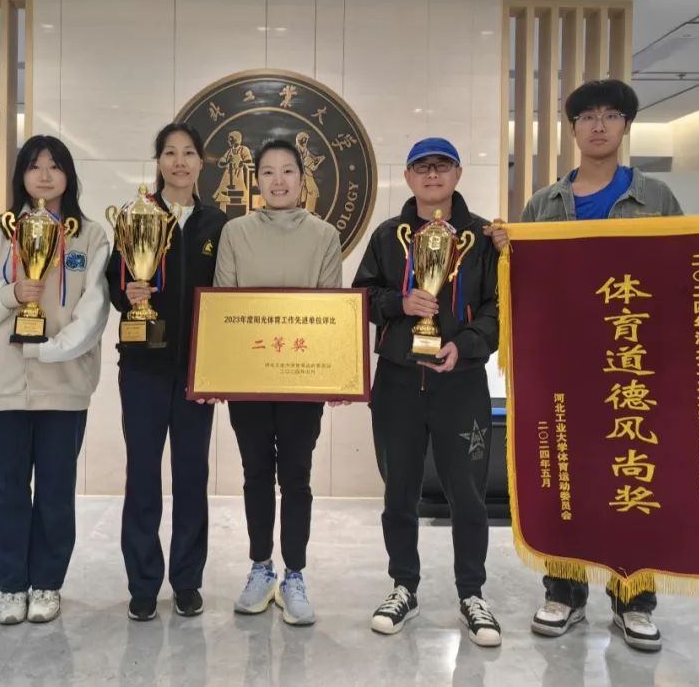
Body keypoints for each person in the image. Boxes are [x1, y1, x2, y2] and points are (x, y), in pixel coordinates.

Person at [487, 78, 682, 653]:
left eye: (610, 115)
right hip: (564, 367)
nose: (599, 125)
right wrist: (505, 252)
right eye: (587, 116)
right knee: (564, 477)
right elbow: (524, 287)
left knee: (632, 478)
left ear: (625, 125)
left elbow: (683, 271)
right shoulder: (543, 204)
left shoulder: (657, 198)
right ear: (572, 129)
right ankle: (564, 594)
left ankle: (634, 601)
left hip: (633, 366)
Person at [352, 137, 502, 646]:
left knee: (469, 494)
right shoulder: (387, 236)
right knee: (399, 492)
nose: (432, 175)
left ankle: (472, 593)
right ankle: (403, 586)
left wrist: (466, 345)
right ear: (408, 177)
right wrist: (400, 303)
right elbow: (362, 296)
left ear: (457, 174)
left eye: (442, 166)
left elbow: (496, 307)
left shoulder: (483, 237)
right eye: (422, 167)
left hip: (461, 382)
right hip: (398, 382)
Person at [0, 135, 109, 625]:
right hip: (2, 386)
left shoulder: (89, 236)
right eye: (34, 165)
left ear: (69, 175)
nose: (44, 175)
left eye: (54, 165)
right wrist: (10, 294)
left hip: (65, 386)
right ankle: (11, 586)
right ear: (20, 174)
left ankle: (47, 583)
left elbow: (93, 314)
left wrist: (45, 349)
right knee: (8, 491)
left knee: (56, 493)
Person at [214, 138, 342, 626]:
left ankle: (295, 575)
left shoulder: (325, 235)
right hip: (248, 377)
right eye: (268, 172)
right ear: (256, 181)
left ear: (302, 179)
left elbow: (331, 309)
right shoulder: (234, 232)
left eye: (288, 171)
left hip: (301, 379)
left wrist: (335, 375)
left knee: (296, 476)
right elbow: (224, 303)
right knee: (254, 473)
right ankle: (260, 567)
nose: (279, 181)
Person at [107, 123, 227, 622]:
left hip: (197, 373)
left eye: (189, 153)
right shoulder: (137, 215)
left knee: (192, 476)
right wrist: (127, 293)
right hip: (143, 368)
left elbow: (228, 298)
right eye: (170, 153)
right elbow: (114, 282)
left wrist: (220, 369)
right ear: (158, 161)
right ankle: (142, 583)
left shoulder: (218, 224)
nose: (179, 162)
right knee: (142, 475)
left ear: (201, 162)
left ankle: (187, 581)